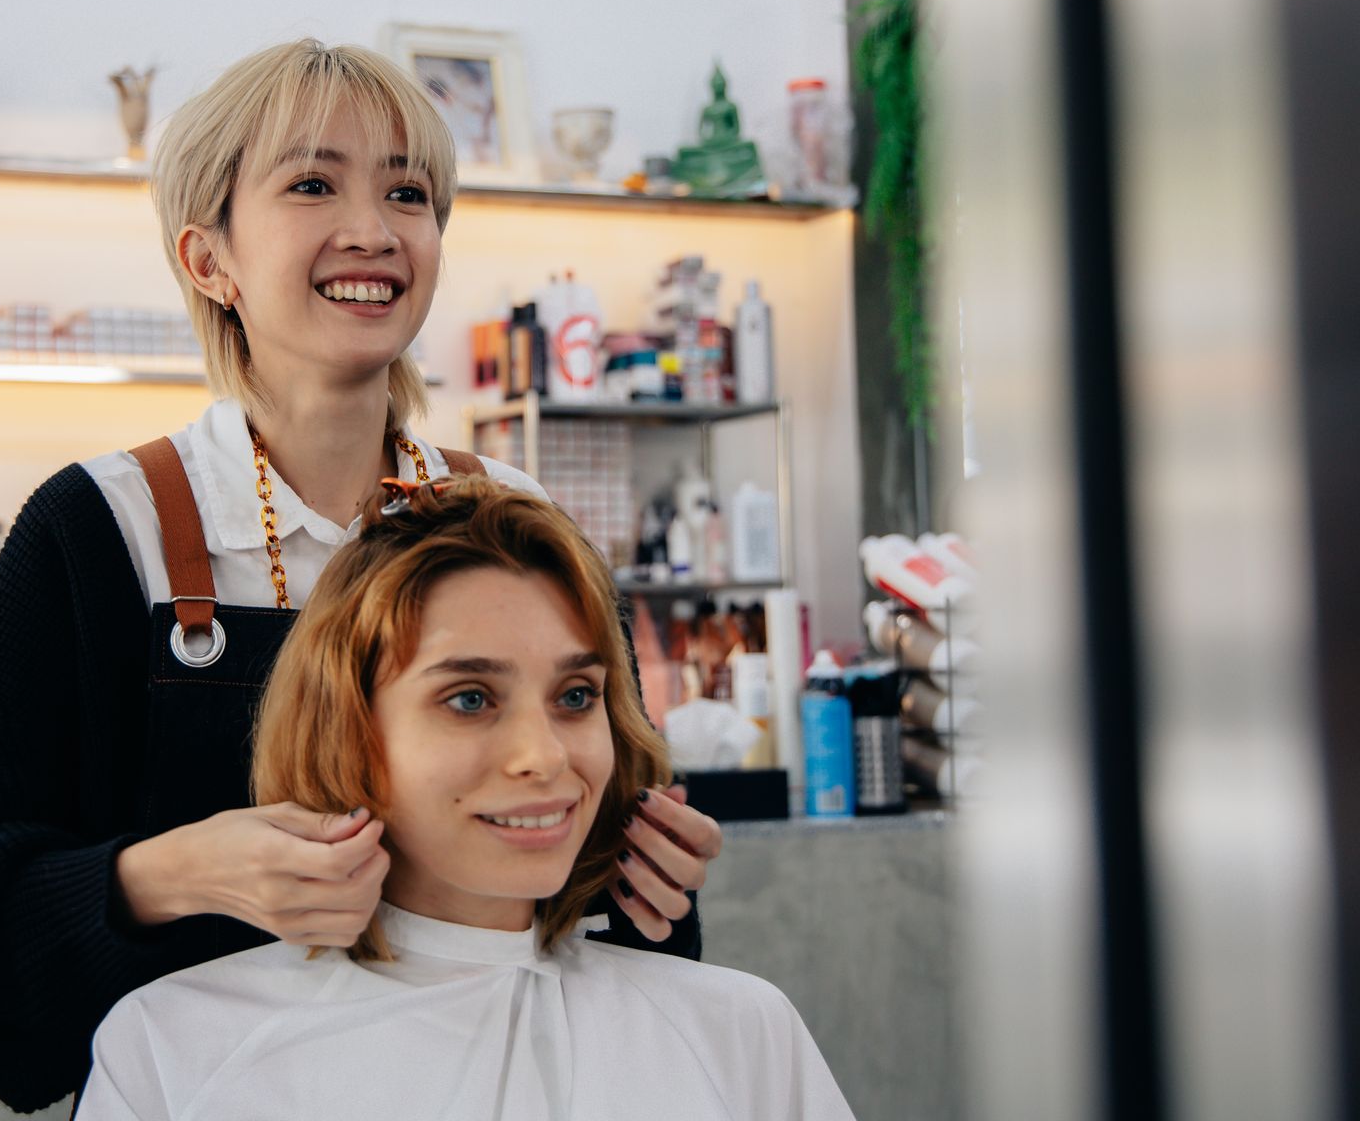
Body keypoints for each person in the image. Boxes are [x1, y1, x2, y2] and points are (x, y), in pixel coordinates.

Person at [0, 39, 724, 1113]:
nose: (375, 230)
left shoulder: (524, 529)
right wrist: (172, 875)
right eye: (312, 183)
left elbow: (605, 910)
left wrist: (649, 878)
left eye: (409, 192)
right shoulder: (101, 531)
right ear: (209, 258)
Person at [76, 478, 852, 1119]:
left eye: (577, 696)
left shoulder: (740, 1033)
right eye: (471, 699)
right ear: (348, 729)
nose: (544, 758)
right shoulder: (174, 1051)